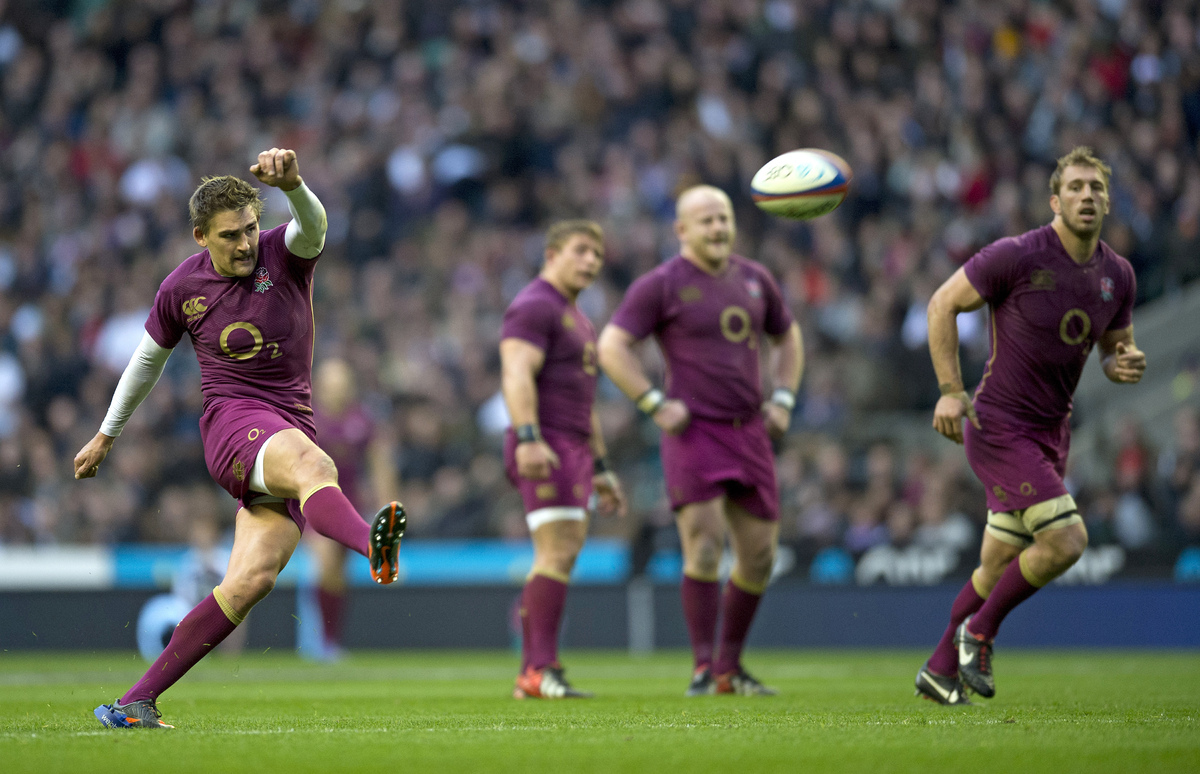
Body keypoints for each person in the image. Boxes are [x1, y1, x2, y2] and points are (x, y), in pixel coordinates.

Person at [75, 148, 407, 729]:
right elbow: (146, 363)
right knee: (313, 464)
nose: (246, 243)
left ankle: (134, 703)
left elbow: (316, 225)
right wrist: (107, 434)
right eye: (230, 235)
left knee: (248, 583)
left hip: (288, 423)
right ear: (201, 236)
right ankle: (372, 548)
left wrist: (297, 184)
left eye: (251, 228)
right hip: (234, 423)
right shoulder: (182, 287)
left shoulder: (285, 254)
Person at [915, 147, 1146, 705]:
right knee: (1067, 540)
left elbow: (1116, 350)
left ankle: (940, 669)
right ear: (1055, 200)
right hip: (999, 425)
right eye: (1075, 187)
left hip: (1051, 435)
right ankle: (979, 633)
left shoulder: (1118, 275)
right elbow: (941, 304)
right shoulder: (1017, 256)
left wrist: (1123, 364)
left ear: (1108, 200)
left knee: (995, 567)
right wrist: (951, 391)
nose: (1087, 195)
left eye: (1096, 187)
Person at [598, 186, 803, 696]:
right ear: (681, 230)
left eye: (724, 218)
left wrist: (783, 400)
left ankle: (730, 668)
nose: (717, 228)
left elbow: (789, 337)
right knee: (705, 544)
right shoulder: (662, 285)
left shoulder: (756, 279)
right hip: (694, 433)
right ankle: (702, 666)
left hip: (750, 429)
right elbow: (612, 345)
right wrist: (652, 403)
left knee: (759, 555)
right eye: (706, 220)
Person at [501, 220, 627, 699]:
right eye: (580, 250)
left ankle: (538, 668)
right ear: (551, 254)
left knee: (563, 554)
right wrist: (529, 437)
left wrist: (601, 467)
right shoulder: (535, 304)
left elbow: (584, 402)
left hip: (572, 446)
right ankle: (536, 669)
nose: (591, 261)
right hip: (546, 442)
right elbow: (516, 372)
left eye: (596, 254)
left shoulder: (578, 317)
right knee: (554, 552)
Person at [299, 358, 399, 660]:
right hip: (312, 501)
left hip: (349, 503)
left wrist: (389, 511)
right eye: (331, 385)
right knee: (326, 564)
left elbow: (381, 466)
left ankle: (328, 641)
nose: (336, 391)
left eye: (342, 385)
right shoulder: (306, 417)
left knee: (338, 578)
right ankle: (321, 643)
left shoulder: (362, 420)